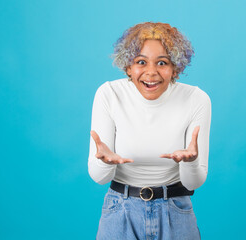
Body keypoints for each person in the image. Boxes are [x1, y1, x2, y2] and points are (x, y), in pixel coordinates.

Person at [88, 22, 211, 240]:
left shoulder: (196, 99)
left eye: (162, 62)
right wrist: (105, 163)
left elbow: (193, 183)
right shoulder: (109, 94)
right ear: (128, 66)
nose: (151, 72)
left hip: (176, 211)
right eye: (141, 62)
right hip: (120, 211)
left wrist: (190, 161)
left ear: (175, 68)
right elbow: (99, 178)